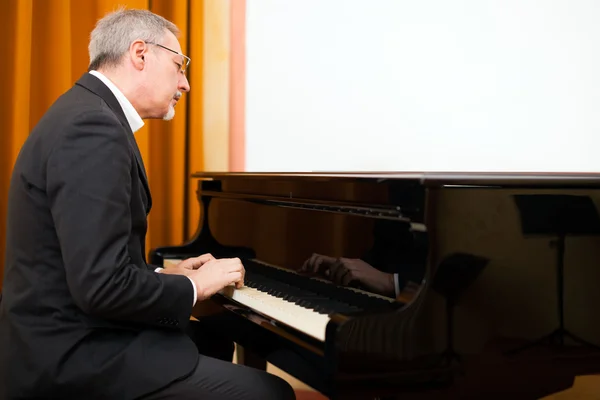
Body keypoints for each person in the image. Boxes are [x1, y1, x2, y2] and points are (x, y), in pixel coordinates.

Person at [0, 8, 294, 400]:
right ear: (140, 54)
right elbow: (101, 288)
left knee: (209, 339)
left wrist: (164, 275)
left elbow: (90, 264)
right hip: (71, 356)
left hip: (60, 336)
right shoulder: (93, 129)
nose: (185, 83)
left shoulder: (84, 113)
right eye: (179, 65)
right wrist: (194, 284)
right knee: (271, 392)